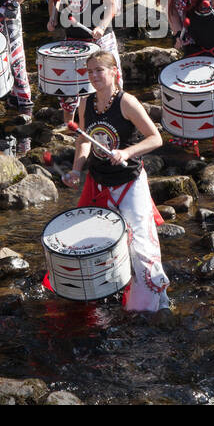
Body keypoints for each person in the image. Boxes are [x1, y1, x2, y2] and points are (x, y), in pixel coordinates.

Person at [62, 51, 170, 312]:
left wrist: (127, 152)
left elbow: (156, 138)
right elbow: (84, 139)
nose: (94, 76)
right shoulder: (87, 103)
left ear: (114, 72)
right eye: (90, 71)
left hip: (129, 183)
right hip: (99, 183)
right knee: (99, 245)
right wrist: (77, 169)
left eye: (100, 70)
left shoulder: (127, 102)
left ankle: (154, 304)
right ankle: (106, 295)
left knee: (141, 247)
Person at [48, 0, 119, 123]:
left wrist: (102, 27)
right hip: (73, 38)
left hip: (99, 37)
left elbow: (112, 4)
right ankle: (69, 128)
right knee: (70, 87)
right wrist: (52, 17)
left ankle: (114, 120)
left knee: (109, 82)